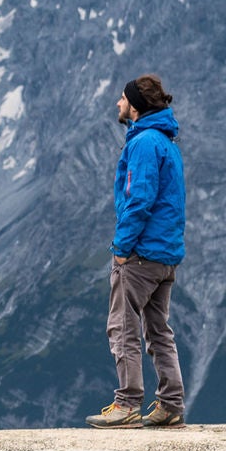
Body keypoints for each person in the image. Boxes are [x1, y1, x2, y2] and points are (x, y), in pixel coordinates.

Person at [87, 74, 186, 428]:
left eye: (123, 98)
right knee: (158, 329)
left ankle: (128, 403)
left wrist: (121, 248)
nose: (118, 103)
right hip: (166, 255)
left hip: (141, 254)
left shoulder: (144, 143)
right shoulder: (166, 143)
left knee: (122, 325)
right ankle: (171, 404)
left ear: (136, 106)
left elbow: (139, 199)